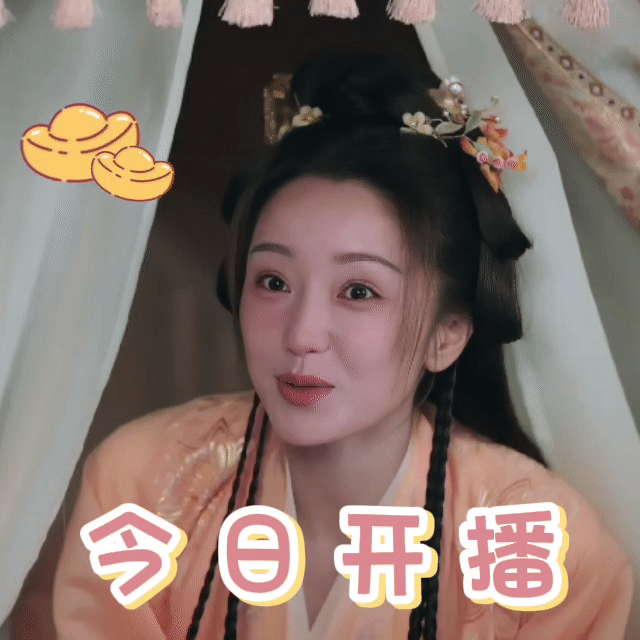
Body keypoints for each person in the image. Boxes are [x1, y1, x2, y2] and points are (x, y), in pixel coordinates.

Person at [10, 52, 633, 640]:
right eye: (273, 282)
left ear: (447, 335)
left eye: (359, 291)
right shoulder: (147, 486)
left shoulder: (539, 543)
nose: (301, 335)